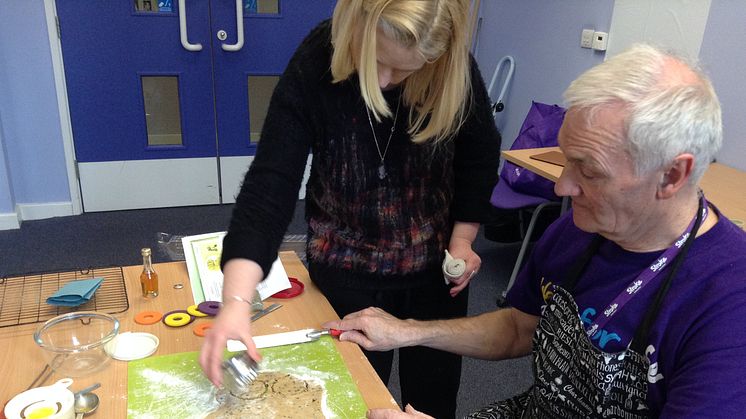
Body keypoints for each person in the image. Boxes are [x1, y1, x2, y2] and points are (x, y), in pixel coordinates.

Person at [324, 43, 746, 418]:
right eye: (566, 158)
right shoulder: (576, 231)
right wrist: (408, 330)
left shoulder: (728, 302)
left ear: (672, 175)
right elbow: (519, 328)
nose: (562, 186)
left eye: (590, 171)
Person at [198, 1, 502, 417]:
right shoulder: (317, 59)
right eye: (376, 59)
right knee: (347, 402)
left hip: (435, 279)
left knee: (430, 404)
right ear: (355, 25)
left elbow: (479, 155)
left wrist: (464, 238)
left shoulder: (453, 68)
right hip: (345, 274)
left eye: (403, 70)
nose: (383, 80)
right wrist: (235, 300)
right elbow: (271, 182)